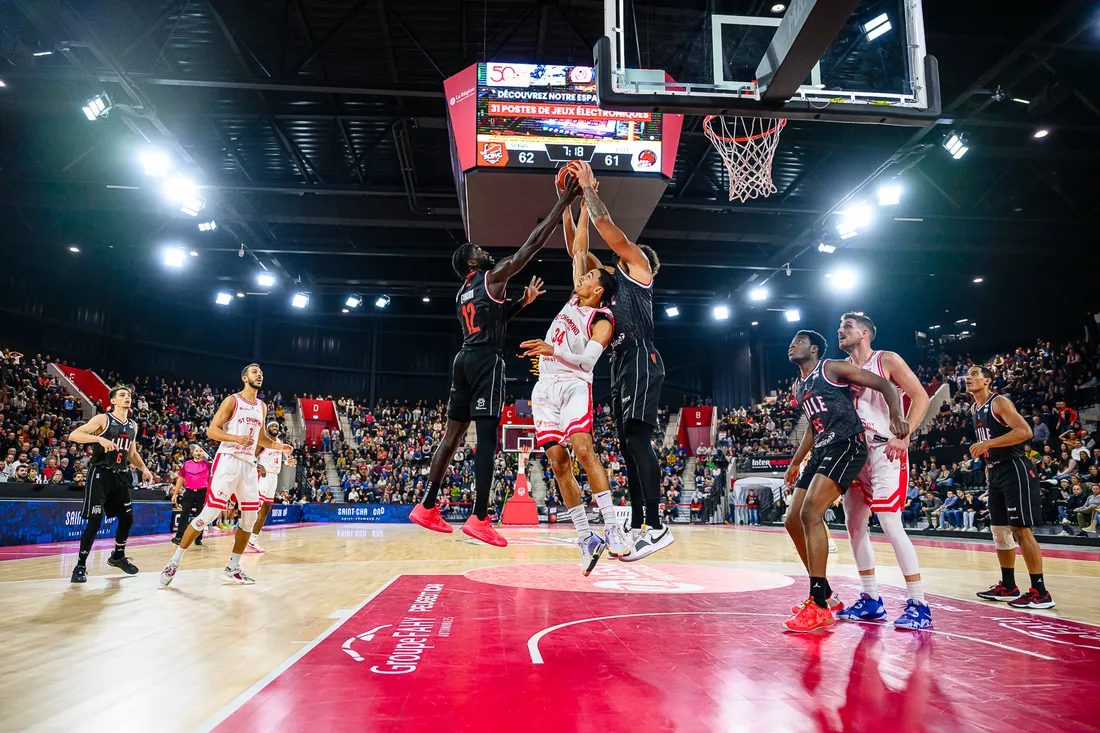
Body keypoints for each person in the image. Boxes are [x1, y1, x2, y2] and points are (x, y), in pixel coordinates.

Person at [409, 175, 579, 546]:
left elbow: (488, 320)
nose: (485, 250)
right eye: (479, 249)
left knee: (451, 438)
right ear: (472, 261)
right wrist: (563, 202)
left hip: (463, 359)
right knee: (487, 439)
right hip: (487, 361)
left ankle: (426, 506)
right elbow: (530, 247)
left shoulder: (461, 293)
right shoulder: (491, 275)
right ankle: (480, 517)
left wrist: (519, 303)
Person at [563, 159, 672, 561]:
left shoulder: (640, 271)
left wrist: (590, 188)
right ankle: (641, 521)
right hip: (620, 365)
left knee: (638, 440)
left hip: (643, 356)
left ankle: (658, 525)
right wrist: (567, 204)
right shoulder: (609, 293)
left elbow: (608, 230)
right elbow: (580, 252)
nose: (616, 255)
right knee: (627, 446)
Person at [518, 202, 625, 573]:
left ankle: (612, 527)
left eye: (590, 276)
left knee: (582, 451)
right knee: (558, 463)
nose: (582, 276)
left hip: (575, 383)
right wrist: (571, 205)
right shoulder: (574, 300)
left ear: (599, 290)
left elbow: (589, 362)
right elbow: (579, 248)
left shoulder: (602, 319)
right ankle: (586, 536)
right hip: (544, 387)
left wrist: (553, 348)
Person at [783, 329, 908, 633]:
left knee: (811, 512)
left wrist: (895, 416)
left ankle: (819, 604)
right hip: (822, 448)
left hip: (847, 445)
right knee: (792, 520)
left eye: (799, 341)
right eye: (791, 341)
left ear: (814, 349)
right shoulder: (799, 385)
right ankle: (824, 592)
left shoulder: (831, 368)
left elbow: (884, 384)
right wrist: (796, 461)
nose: (792, 345)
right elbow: (814, 428)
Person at [834, 312, 933, 630]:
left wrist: (904, 436)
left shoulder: (885, 359)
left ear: (864, 333)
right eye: (839, 326)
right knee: (854, 527)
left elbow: (921, 397)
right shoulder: (842, 370)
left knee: (890, 523)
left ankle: (919, 603)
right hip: (855, 454)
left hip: (885, 449)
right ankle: (870, 600)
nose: (840, 330)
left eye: (847, 326)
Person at [159, 364, 293, 586]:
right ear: (244, 378)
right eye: (254, 372)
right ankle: (174, 561)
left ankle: (233, 567)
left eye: (261, 373)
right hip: (228, 461)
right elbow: (212, 430)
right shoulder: (232, 401)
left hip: (249, 465)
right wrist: (235, 439)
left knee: (250, 518)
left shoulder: (262, 406)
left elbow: (261, 438)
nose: (259, 375)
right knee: (210, 513)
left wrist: (280, 448)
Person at [968, 365, 1055, 609]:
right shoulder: (975, 408)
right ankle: (1008, 586)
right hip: (995, 471)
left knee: (1020, 529)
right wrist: (988, 464)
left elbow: (1025, 432)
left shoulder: (1000, 403)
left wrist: (988, 444)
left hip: (1015, 468)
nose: (968, 378)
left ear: (987, 381)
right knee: (999, 531)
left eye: (974, 374)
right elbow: (990, 444)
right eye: (966, 375)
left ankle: (1040, 592)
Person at [66, 385, 154, 583]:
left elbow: (131, 453)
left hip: (121, 475)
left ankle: (117, 556)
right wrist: (99, 439)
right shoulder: (103, 419)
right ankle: (80, 566)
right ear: (112, 401)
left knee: (127, 518)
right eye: (122, 395)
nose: (127, 398)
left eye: (129, 395)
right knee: (95, 521)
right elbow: (74, 435)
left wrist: (143, 468)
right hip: (101, 474)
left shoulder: (133, 425)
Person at [249, 421, 297, 553]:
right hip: (262, 476)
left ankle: (253, 539)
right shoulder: (262, 441)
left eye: (276, 426)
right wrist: (259, 466)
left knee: (265, 509)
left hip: (273, 476)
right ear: (267, 428)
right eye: (272, 426)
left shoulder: (279, 443)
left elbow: (274, 461)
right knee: (255, 508)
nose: (275, 428)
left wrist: (286, 462)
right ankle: (240, 537)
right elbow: (250, 457)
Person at [172, 444, 211, 546]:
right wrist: (175, 494)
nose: (198, 452)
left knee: (200, 516)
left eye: (200, 451)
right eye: (196, 451)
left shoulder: (208, 464)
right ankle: (178, 537)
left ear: (203, 454)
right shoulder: (186, 464)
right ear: (193, 453)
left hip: (202, 492)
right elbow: (180, 479)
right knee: (184, 514)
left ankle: (198, 538)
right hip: (189, 492)